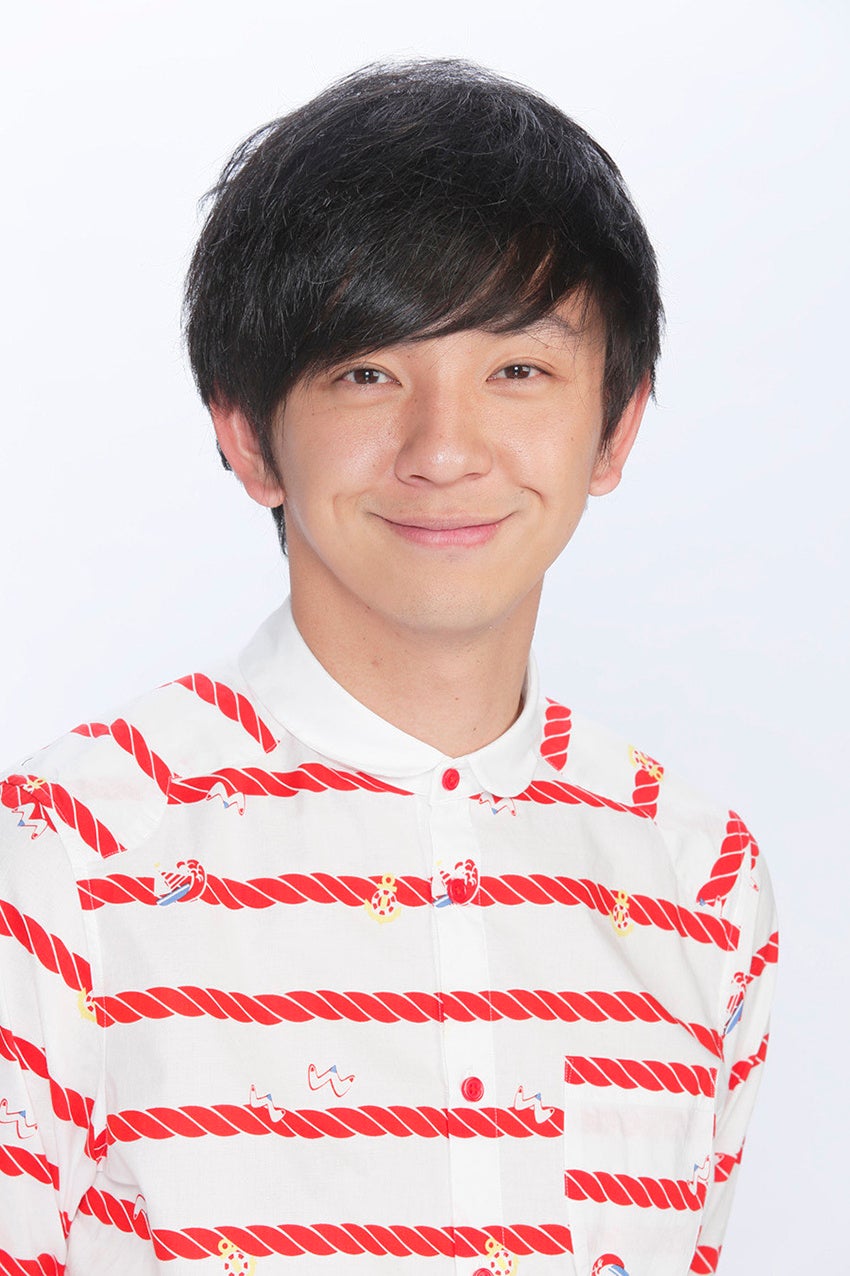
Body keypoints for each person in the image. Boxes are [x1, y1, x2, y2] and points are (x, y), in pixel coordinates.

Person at [0, 60, 777, 1275]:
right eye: (368, 372)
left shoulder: (697, 875)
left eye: (517, 370)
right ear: (248, 435)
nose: (444, 449)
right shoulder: (67, 853)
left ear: (615, 424)